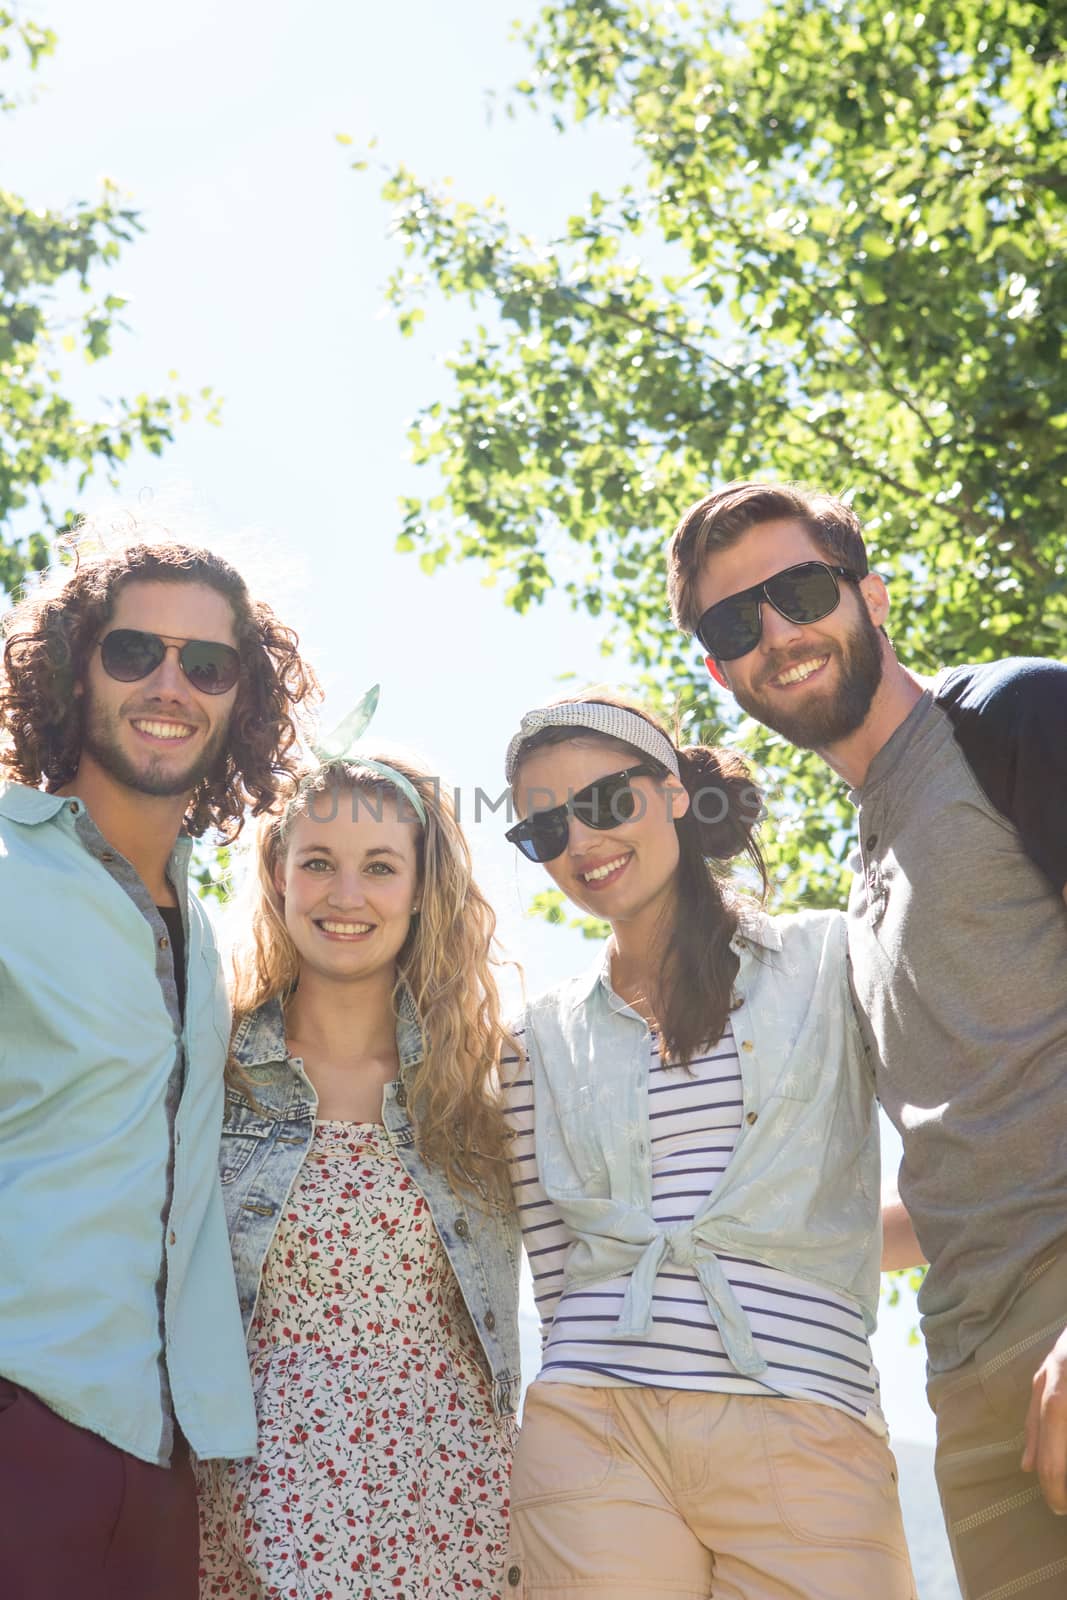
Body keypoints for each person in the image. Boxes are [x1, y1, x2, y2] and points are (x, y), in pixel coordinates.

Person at [668, 479, 1067, 1599]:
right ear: (717, 670)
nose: (778, 634)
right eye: (733, 624)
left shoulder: (1015, 716)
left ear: (870, 594)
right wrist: (721, 1249)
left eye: (799, 591)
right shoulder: (858, 887)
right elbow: (951, 1167)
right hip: (966, 1369)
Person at [498, 690, 915, 1600]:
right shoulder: (533, 1036)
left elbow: (959, 1152)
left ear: (675, 793)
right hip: (590, 1424)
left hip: (808, 1415)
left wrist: (822, 1249)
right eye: (544, 828)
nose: (581, 841)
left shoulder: (829, 960)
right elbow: (557, 1271)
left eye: (605, 802)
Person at [0, 529, 318, 1600]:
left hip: (160, 1457)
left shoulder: (215, 931)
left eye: (207, 663)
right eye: (134, 651)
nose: (170, 683)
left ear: (240, 702)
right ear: (72, 667)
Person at [197, 731, 522, 1599]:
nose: (346, 896)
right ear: (277, 875)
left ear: (422, 891)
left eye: (380, 866)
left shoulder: (478, 1092)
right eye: (318, 863)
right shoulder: (206, 1070)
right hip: (251, 1510)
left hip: (455, 1516)